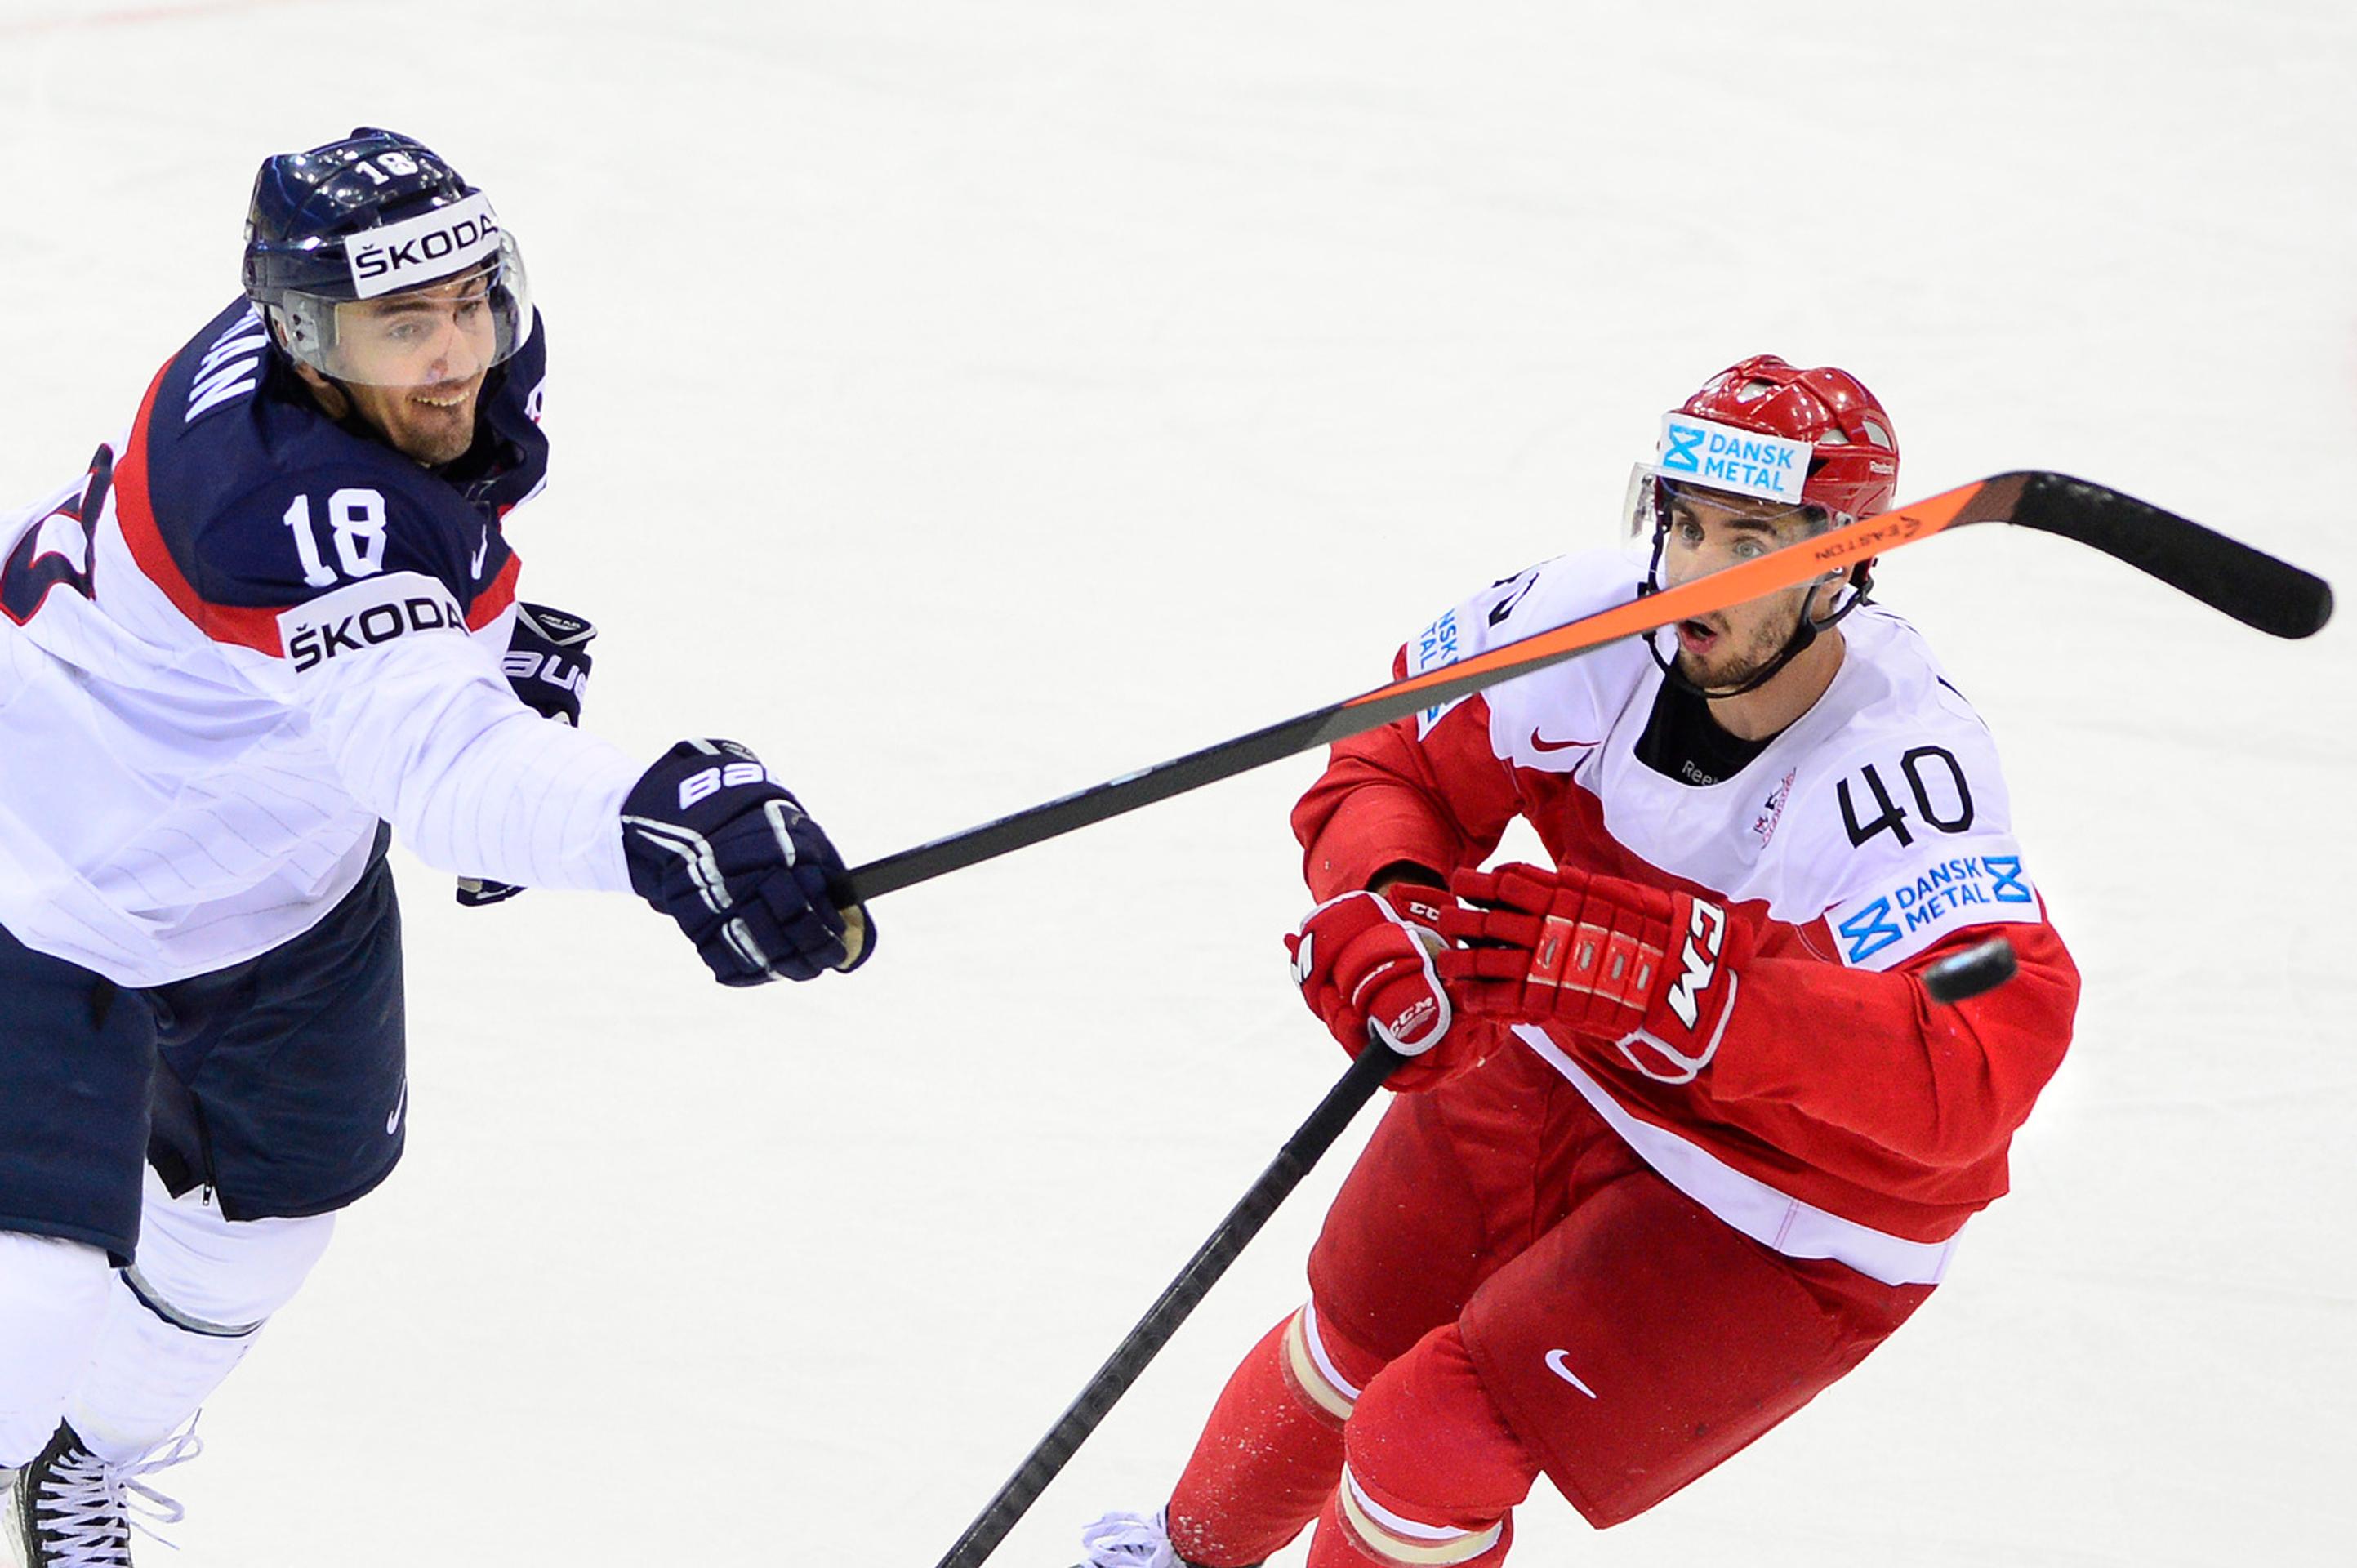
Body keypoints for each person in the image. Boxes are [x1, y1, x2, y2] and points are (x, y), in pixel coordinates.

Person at [0, 128, 872, 1565]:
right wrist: (649, 816)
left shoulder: (394, 388)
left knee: (270, 1226)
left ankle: (89, 1467)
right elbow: (437, 764)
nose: (454, 353)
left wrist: (482, 641)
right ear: (302, 335)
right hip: (50, 860)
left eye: (472, 301)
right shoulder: (285, 490)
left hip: (279, 878)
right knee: (30, 1306)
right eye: (403, 327)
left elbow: (366, 641)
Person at [1075, 356, 2080, 1568]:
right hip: (1577, 1052)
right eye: (1684, 524)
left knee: (1427, 1440)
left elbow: (1972, 1074)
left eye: (1747, 538)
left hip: (1790, 1194)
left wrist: (1685, 980)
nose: (1694, 574)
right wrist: (1387, 903)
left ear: (1835, 560)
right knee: (1352, 1333)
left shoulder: (1896, 766)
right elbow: (1389, 755)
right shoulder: (1579, 623)